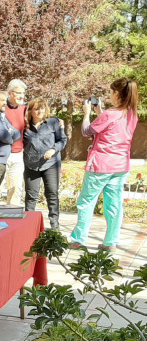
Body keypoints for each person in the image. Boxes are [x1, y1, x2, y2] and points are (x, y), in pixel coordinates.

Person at [69, 78, 140, 250]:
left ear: (117, 94)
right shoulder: (131, 114)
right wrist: (100, 111)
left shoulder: (110, 114)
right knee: (114, 204)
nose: (109, 95)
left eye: (111, 92)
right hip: (120, 165)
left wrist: (87, 113)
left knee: (86, 201)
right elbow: (110, 128)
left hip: (101, 164)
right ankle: (111, 242)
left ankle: (78, 239)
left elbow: (87, 131)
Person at [22, 97, 66, 229]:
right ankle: (29, 226)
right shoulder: (24, 126)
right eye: (36, 109)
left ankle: (54, 225)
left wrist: (53, 150)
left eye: (42, 108)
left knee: (52, 194)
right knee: (31, 196)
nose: (40, 111)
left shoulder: (54, 122)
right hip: (31, 164)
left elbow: (62, 140)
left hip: (51, 163)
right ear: (30, 111)